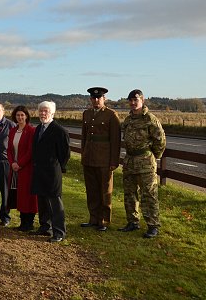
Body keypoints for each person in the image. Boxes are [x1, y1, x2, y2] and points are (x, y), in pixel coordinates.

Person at [118, 89, 166, 239]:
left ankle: (153, 225)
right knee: (129, 194)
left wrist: (152, 156)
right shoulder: (128, 120)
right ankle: (132, 222)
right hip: (130, 162)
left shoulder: (150, 119)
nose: (133, 103)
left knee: (149, 195)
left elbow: (160, 141)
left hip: (145, 162)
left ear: (142, 100)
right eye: (130, 100)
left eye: (136, 100)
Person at [80, 87, 121, 232]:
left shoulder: (111, 115)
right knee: (91, 191)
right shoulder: (87, 114)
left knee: (105, 191)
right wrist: (83, 155)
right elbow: (84, 137)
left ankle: (103, 221)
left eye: (99, 98)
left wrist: (114, 161)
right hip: (89, 158)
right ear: (90, 99)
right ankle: (93, 218)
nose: (96, 100)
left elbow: (115, 140)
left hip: (104, 159)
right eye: (93, 98)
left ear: (104, 99)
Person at [31, 101, 70, 243]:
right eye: (41, 111)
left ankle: (59, 231)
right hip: (39, 171)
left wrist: (60, 167)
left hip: (52, 172)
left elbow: (65, 154)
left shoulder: (59, 131)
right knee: (42, 201)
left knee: (54, 202)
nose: (42, 113)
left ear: (52, 113)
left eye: (46, 111)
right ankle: (45, 227)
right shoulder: (39, 128)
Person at [6, 105, 37, 232]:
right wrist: (12, 162)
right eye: (18, 115)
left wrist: (20, 164)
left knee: (27, 196)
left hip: (26, 168)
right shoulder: (13, 130)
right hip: (14, 168)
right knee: (18, 194)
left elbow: (31, 151)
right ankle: (22, 222)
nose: (20, 117)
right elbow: (9, 149)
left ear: (27, 116)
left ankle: (28, 223)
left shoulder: (31, 131)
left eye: (22, 115)